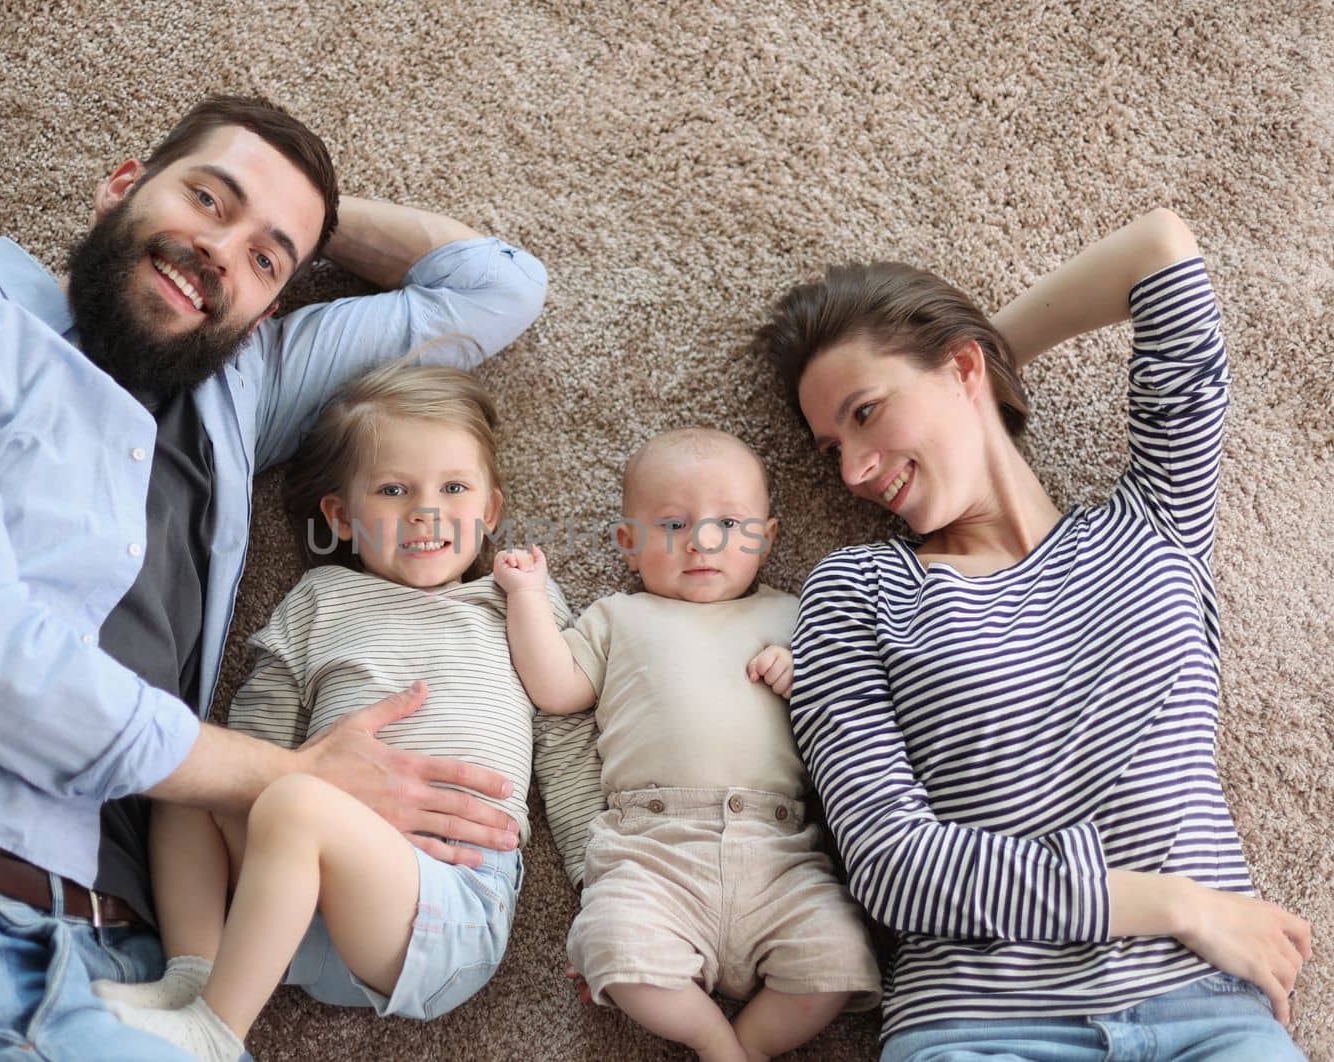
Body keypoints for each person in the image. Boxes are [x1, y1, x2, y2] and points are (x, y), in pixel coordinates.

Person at [0, 94, 547, 1060]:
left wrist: (314, 224)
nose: (221, 252)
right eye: (208, 199)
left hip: (150, 969)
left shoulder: (242, 388)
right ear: (121, 186)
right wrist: (291, 778)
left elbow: (494, 287)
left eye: (264, 257)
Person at [757, 209, 1312, 1060]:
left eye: (866, 414)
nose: (855, 471)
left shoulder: (1157, 520)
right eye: (833, 446)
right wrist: (1177, 903)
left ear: (962, 367)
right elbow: (892, 864)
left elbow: (1160, 248)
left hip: (1206, 1012)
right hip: (980, 1027)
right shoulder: (858, 591)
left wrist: (982, 357)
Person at [91, 362, 596, 1059]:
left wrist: (598, 871)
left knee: (296, 805)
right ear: (340, 516)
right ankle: (195, 978)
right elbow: (258, 733)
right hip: (285, 904)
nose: (426, 511)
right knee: (192, 769)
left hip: (445, 899)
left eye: (454, 488)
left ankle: (217, 1034)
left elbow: (565, 714)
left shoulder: (510, 606)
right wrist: (271, 791)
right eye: (393, 490)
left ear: (490, 511)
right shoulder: (320, 597)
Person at [492, 427, 881, 1062]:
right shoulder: (620, 616)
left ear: (768, 538)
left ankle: (745, 1048)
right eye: (673, 525)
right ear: (628, 544)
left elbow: (855, 717)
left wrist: (801, 676)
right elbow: (556, 687)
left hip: (781, 849)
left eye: (729, 523)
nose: (703, 541)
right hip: (653, 853)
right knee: (613, 945)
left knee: (839, 956)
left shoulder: (795, 616)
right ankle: (711, 1040)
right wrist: (528, 598)